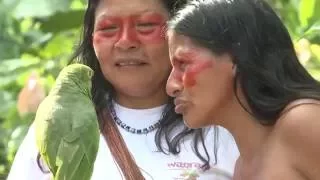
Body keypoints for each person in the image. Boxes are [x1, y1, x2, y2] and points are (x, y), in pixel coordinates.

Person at [7, 0, 239, 179]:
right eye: (108, 29)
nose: (126, 41)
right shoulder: (55, 123)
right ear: (91, 39)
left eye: (146, 25)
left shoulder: (227, 127)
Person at [165, 0, 320, 179]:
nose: (171, 87)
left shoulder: (303, 121)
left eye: (183, 63)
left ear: (236, 57)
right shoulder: (241, 167)